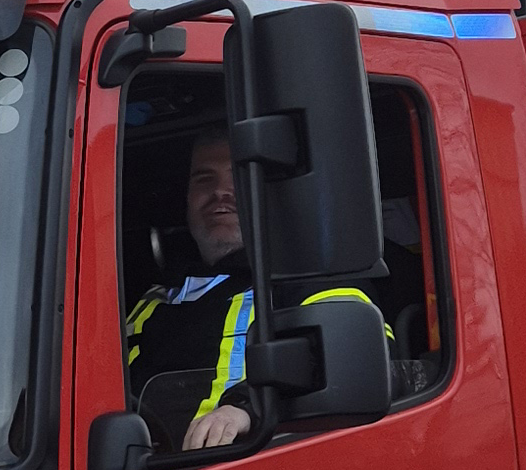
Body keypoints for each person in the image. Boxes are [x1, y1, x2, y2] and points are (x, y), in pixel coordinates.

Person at [126, 129, 386, 452]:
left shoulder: (315, 278)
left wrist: (248, 409)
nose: (220, 192)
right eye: (203, 179)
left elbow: (350, 365)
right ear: (187, 199)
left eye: (238, 174)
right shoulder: (151, 300)